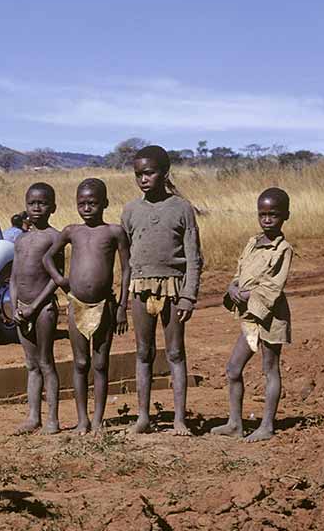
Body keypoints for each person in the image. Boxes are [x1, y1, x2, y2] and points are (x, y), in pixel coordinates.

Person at [121, 145, 203, 436]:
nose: (143, 179)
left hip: (172, 288)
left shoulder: (181, 208)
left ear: (164, 173)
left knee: (176, 353)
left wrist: (188, 295)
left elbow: (194, 257)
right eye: (138, 174)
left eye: (149, 173)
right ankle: (143, 417)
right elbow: (125, 257)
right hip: (140, 288)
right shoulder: (130, 210)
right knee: (143, 352)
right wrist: (121, 300)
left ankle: (179, 419)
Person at [43, 178, 130, 434]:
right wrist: (60, 280)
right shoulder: (71, 231)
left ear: (105, 203)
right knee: (81, 363)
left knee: (101, 364)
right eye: (82, 204)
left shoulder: (115, 232)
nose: (87, 208)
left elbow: (126, 270)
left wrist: (123, 306)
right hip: (76, 305)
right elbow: (48, 257)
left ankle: (99, 420)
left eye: (93, 203)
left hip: (106, 306)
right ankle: (82, 419)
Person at [211, 188, 294, 442]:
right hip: (250, 316)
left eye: (274, 215)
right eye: (263, 214)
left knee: (270, 369)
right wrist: (232, 287)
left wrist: (247, 295)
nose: (267, 219)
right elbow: (240, 271)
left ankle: (267, 426)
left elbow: (273, 287)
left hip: (270, 317)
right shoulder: (252, 242)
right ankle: (235, 423)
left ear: (285, 216)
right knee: (233, 369)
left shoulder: (283, 249)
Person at [11, 183, 64, 434]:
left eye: (42, 203)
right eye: (32, 203)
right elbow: (13, 276)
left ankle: (52, 420)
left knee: (45, 362)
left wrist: (35, 306)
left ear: (52, 207)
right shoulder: (20, 239)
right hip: (22, 309)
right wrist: (14, 304)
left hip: (43, 309)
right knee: (31, 364)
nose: (36, 208)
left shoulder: (55, 237)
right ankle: (33, 417)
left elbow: (57, 277)